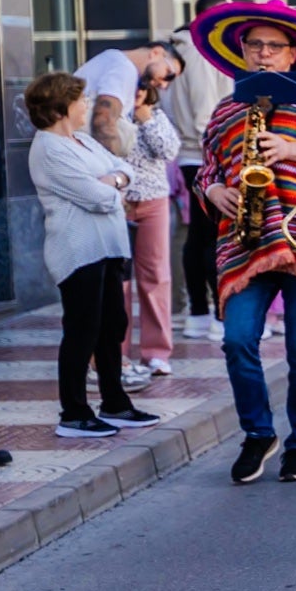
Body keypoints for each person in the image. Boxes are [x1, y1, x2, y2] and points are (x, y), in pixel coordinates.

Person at [193, 0, 296, 486]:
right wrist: (212, 189)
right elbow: (208, 168)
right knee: (238, 341)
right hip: (244, 242)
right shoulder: (225, 110)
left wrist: (295, 150)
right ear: (242, 52)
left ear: (293, 54)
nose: (263, 54)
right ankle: (258, 433)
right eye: (254, 45)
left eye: (273, 46)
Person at [26, 72, 160, 438]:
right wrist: (112, 186)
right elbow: (97, 198)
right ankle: (73, 413)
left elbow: (127, 169)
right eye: (81, 100)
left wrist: (114, 180)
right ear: (61, 106)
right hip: (77, 250)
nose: (87, 105)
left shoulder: (81, 141)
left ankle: (114, 403)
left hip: (108, 248)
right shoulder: (48, 148)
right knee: (82, 331)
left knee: (112, 325)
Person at [167, 0, 233, 342]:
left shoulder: (181, 46)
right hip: (205, 153)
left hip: (191, 152)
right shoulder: (202, 52)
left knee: (198, 237)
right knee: (211, 236)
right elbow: (206, 113)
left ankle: (199, 312)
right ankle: (216, 316)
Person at [122, 81, 180, 378]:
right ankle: (117, 353)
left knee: (156, 277)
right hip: (116, 204)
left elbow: (168, 150)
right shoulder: (107, 115)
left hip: (153, 201)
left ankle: (156, 353)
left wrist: (144, 116)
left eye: (141, 88)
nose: (136, 94)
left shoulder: (156, 116)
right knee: (118, 283)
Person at [74, 41, 183, 157]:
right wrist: (113, 166)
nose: (164, 85)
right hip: (82, 155)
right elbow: (104, 119)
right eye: (169, 74)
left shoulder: (112, 58)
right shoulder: (124, 69)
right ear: (156, 52)